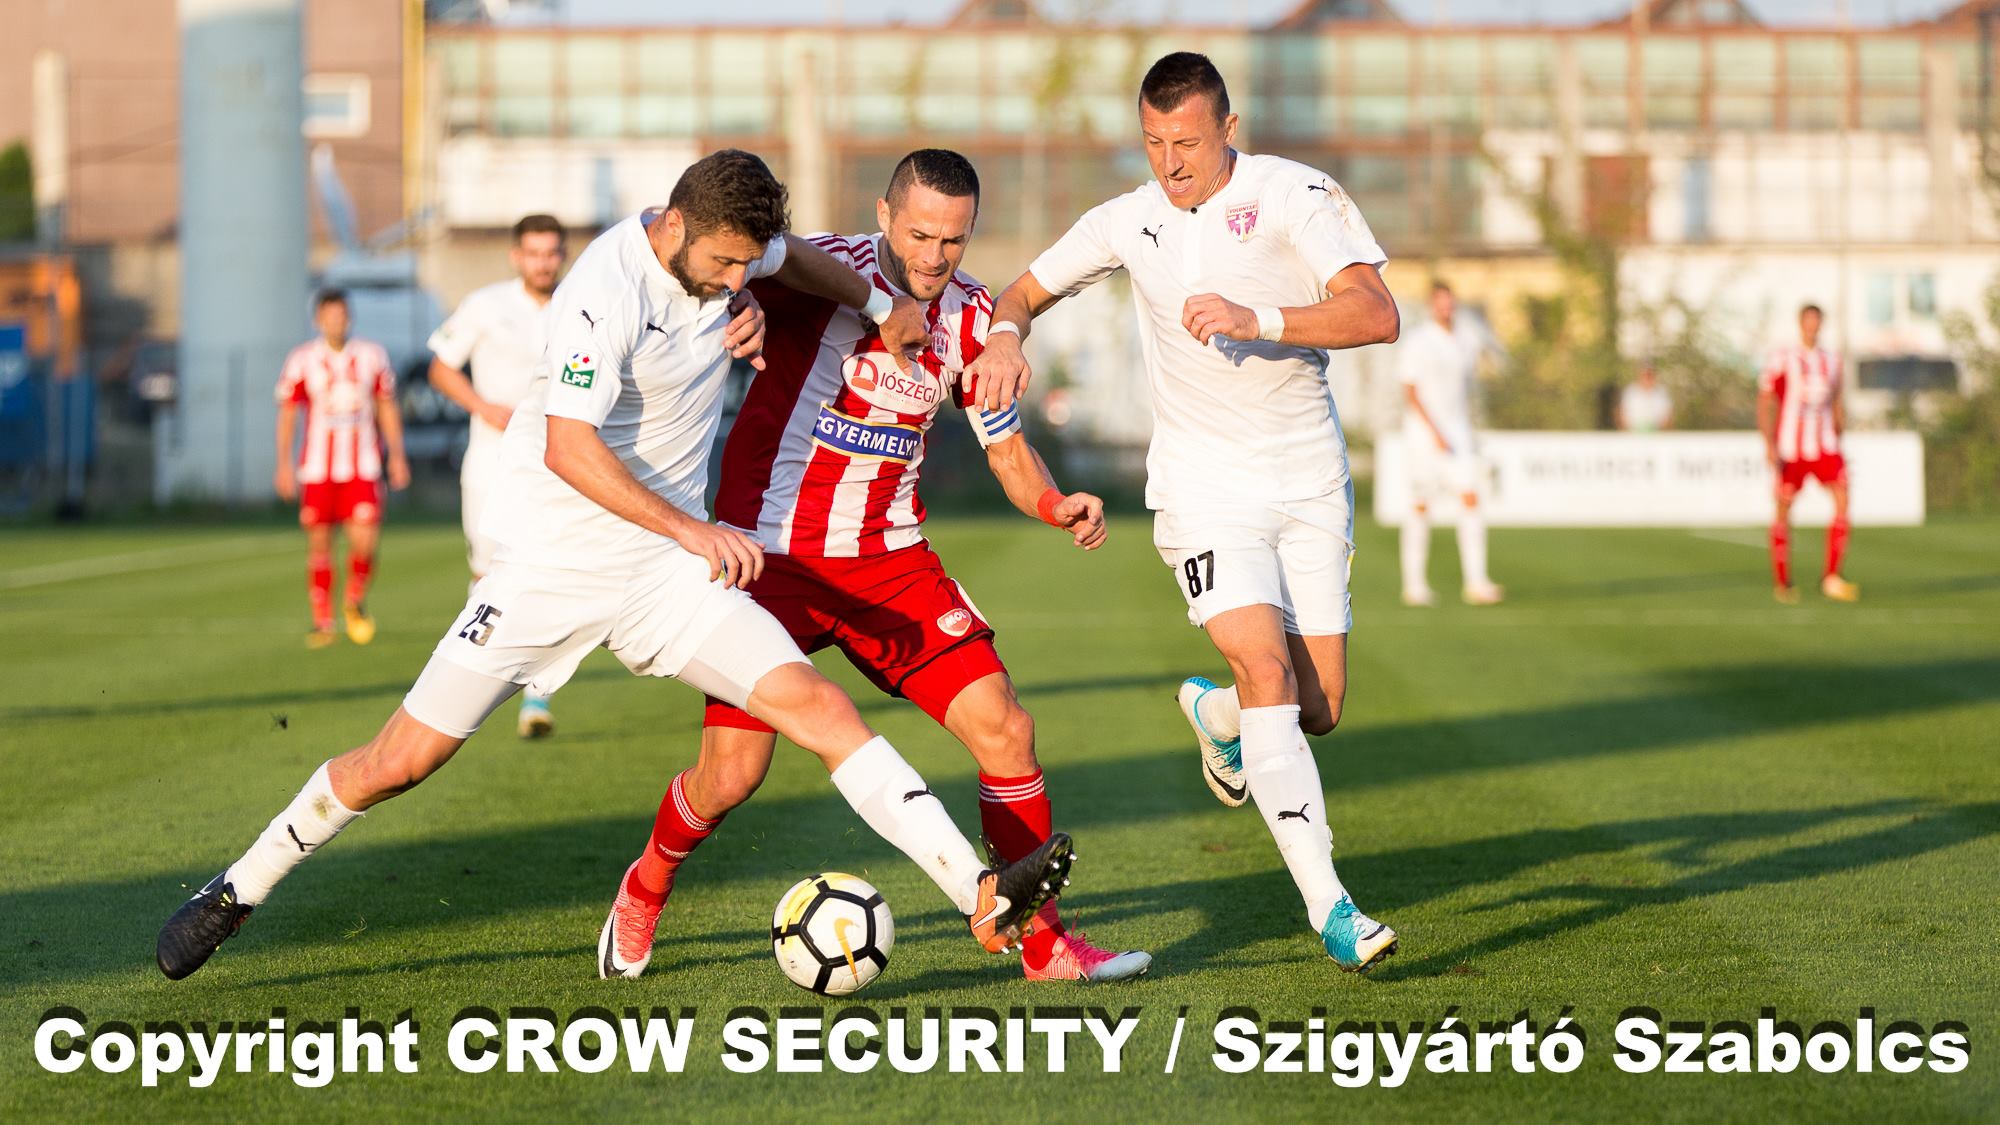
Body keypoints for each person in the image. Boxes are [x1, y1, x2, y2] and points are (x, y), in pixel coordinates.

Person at [157, 150, 1073, 984]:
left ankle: (978, 894)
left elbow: (792, 259)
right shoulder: (603, 291)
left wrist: (875, 307)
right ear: (674, 226)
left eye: (745, 267)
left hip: (662, 577)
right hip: (552, 568)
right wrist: (692, 529)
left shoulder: (733, 250)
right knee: (396, 762)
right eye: (724, 265)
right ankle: (238, 887)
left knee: (821, 709)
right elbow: (569, 448)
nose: (736, 282)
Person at [599, 149, 1150, 983]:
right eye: (920, 234)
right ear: (885, 216)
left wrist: (1052, 502)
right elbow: (732, 273)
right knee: (731, 775)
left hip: (889, 564)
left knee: (1005, 726)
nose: (934, 255)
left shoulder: (973, 319)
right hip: (768, 559)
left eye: (954, 240)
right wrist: (740, 308)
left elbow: (1007, 453)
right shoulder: (820, 269)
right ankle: (646, 883)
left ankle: (1042, 946)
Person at [966, 53, 1400, 973]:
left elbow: (1375, 312)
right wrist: (1003, 336)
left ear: (1229, 130)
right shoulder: (1128, 220)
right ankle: (1332, 906)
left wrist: (1259, 317)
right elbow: (1023, 292)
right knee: (1266, 669)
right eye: (1154, 142)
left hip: (1309, 479)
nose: (1170, 163)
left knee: (1317, 706)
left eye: (1189, 143)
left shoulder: (1294, 195)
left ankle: (1219, 717)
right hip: (1205, 487)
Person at [427, 213, 568, 738]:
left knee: (552, 573)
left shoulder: (579, 304)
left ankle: (538, 696)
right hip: (490, 462)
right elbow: (440, 367)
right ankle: (472, 681)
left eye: (551, 253)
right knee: (486, 574)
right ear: (516, 256)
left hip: (556, 464)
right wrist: (482, 406)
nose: (543, 263)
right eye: (534, 253)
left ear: (562, 255)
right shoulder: (486, 305)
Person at [273, 289, 410, 648]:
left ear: (349, 318)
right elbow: (288, 413)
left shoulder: (372, 355)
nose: (336, 322)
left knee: (365, 541)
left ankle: (353, 600)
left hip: (363, 466)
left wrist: (397, 454)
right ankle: (323, 621)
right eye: (329, 316)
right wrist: (283, 464)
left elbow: (386, 405)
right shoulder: (302, 359)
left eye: (341, 315)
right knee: (320, 544)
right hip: (318, 469)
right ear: (318, 320)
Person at [1396, 280, 1504, 608]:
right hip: (1423, 432)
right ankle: (1414, 585)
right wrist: (1435, 431)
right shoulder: (1418, 341)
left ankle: (1476, 582)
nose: (1446, 307)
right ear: (1431, 305)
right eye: (1440, 302)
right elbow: (1410, 391)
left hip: (1458, 431)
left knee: (1471, 497)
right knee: (1420, 504)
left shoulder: (1465, 338)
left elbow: (1489, 359)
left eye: (1450, 301)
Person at [1760, 303, 1859, 604]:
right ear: (1800, 323)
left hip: (1825, 444)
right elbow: (1765, 400)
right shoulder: (1783, 357)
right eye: (1808, 320)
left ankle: (1831, 576)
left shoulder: (1832, 359)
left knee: (1842, 496)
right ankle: (1782, 581)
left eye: (1817, 321)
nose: (1812, 326)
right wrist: (1769, 443)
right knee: (1784, 506)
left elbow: (1836, 399)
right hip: (1791, 447)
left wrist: (1840, 429)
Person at [1618, 361, 1673, 433]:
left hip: (1657, 435)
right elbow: (1622, 416)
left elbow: (1668, 417)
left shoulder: (1662, 393)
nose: (1647, 377)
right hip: (1633, 435)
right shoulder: (1630, 392)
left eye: (1649, 374)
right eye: (1644, 374)